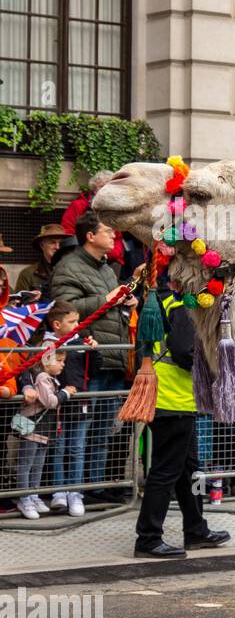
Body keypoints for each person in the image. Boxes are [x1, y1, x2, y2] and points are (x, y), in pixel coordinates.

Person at [133, 281, 231, 558]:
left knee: (191, 470)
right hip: (173, 399)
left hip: (172, 398)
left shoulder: (163, 302)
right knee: (165, 472)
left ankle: (196, 529)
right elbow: (183, 351)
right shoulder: (180, 306)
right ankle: (148, 538)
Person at [49, 210, 138, 504]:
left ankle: (94, 489)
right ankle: (71, 491)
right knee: (78, 434)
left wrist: (126, 302)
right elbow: (65, 309)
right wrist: (108, 298)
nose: (114, 235)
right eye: (108, 231)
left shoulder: (106, 268)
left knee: (102, 432)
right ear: (90, 236)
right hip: (87, 362)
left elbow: (110, 306)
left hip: (113, 357)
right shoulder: (68, 267)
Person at [44, 304, 97, 517]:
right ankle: (58, 492)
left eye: (78, 321)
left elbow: (93, 369)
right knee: (58, 449)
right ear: (57, 324)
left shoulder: (80, 343)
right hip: (58, 404)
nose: (78, 325)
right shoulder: (47, 344)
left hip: (79, 403)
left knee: (77, 449)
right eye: (72, 322)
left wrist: (93, 352)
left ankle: (75, 493)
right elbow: (45, 371)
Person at [11, 351, 74, 520]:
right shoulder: (42, 378)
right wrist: (66, 393)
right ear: (46, 362)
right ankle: (24, 498)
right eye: (59, 361)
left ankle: (34, 495)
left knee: (38, 465)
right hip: (33, 428)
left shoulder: (51, 378)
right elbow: (50, 402)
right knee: (26, 464)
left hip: (44, 430)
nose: (63, 364)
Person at [16, 224, 68, 297]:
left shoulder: (74, 270)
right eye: (52, 242)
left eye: (61, 243)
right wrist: (29, 300)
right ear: (42, 245)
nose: (57, 247)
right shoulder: (28, 274)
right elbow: (18, 304)